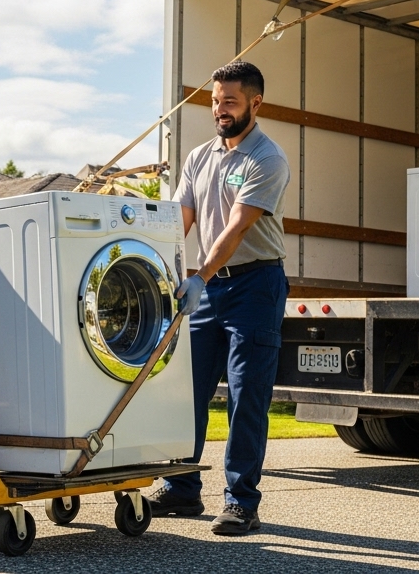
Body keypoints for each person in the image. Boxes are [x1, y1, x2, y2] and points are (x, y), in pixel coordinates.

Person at [145, 60, 290, 536]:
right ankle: (183, 488)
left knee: (246, 397)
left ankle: (241, 501)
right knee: (188, 391)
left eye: (229, 101)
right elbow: (179, 220)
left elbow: (237, 227)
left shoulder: (266, 158)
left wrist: (200, 275)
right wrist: (158, 270)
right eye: (214, 101)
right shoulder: (199, 157)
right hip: (207, 289)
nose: (219, 110)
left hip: (255, 286)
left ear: (255, 102)